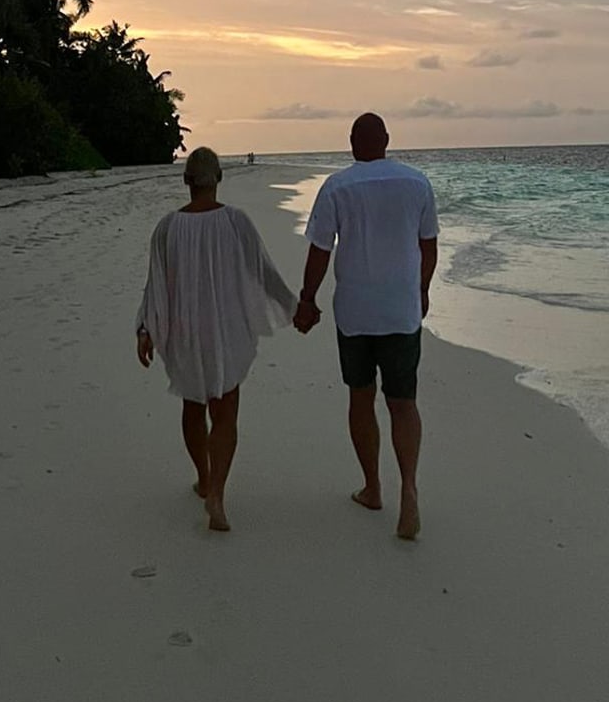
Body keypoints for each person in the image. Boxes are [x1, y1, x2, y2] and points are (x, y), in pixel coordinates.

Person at [135, 147, 296, 532]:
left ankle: (204, 478)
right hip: (226, 328)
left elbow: (155, 285)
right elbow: (263, 271)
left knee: (193, 405)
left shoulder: (167, 227)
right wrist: (294, 306)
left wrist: (145, 328)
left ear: (186, 180)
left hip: (185, 329)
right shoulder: (236, 222)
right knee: (225, 411)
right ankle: (217, 496)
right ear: (219, 178)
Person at [294, 114, 438, 540]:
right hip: (400, 310)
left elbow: (320, 250)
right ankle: (408, 489)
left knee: (361, 397)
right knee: (403, 402)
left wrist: (307, 299)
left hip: (355, 312)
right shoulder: (417, 183)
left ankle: (373, 487)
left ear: (352, 143)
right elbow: (428, 245)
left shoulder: (338, 186)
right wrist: (422, 289)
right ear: (387, 140)